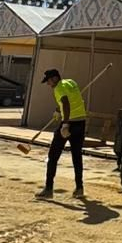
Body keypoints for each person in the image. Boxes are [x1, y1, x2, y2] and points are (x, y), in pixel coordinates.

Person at [36, 68, 87, 199]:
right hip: (81, 121)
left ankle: (48, 189)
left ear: (54, 78)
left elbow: (65, 102)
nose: (48, 84)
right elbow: (69, 100)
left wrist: (65, 124)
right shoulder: (71, 82)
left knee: (53, 155)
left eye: (48, 81)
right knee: (77, 155)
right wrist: (58, 110)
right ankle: (79, 188)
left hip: (69, 123)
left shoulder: (58, 88)